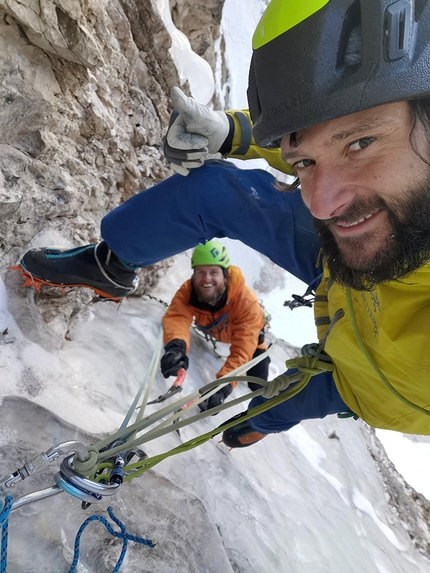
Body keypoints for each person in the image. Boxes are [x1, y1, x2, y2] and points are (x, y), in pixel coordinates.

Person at [17, 1, 430, 450]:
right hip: (348, 267)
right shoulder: (367, 198)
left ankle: (254, 426)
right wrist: (235, 133)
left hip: (360, 387)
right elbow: (324, 127)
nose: (322, 205)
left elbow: (244, 342)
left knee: (270, 410)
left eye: (361, 142)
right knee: (214, 189)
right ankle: (110, 264)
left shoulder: (245, 299)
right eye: (305, 163)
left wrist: (225, 382)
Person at [160, 240, 270, 412]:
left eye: (213, 272)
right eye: (201, 272)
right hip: (216, 329)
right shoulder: (189, 291)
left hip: (250, 338)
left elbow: (241, 351)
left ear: (225, 276)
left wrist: (222, 387)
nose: (206, 279)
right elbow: (178, 317)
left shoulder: (246, 302)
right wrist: (176, 347)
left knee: (257, 384)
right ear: (194, 274)